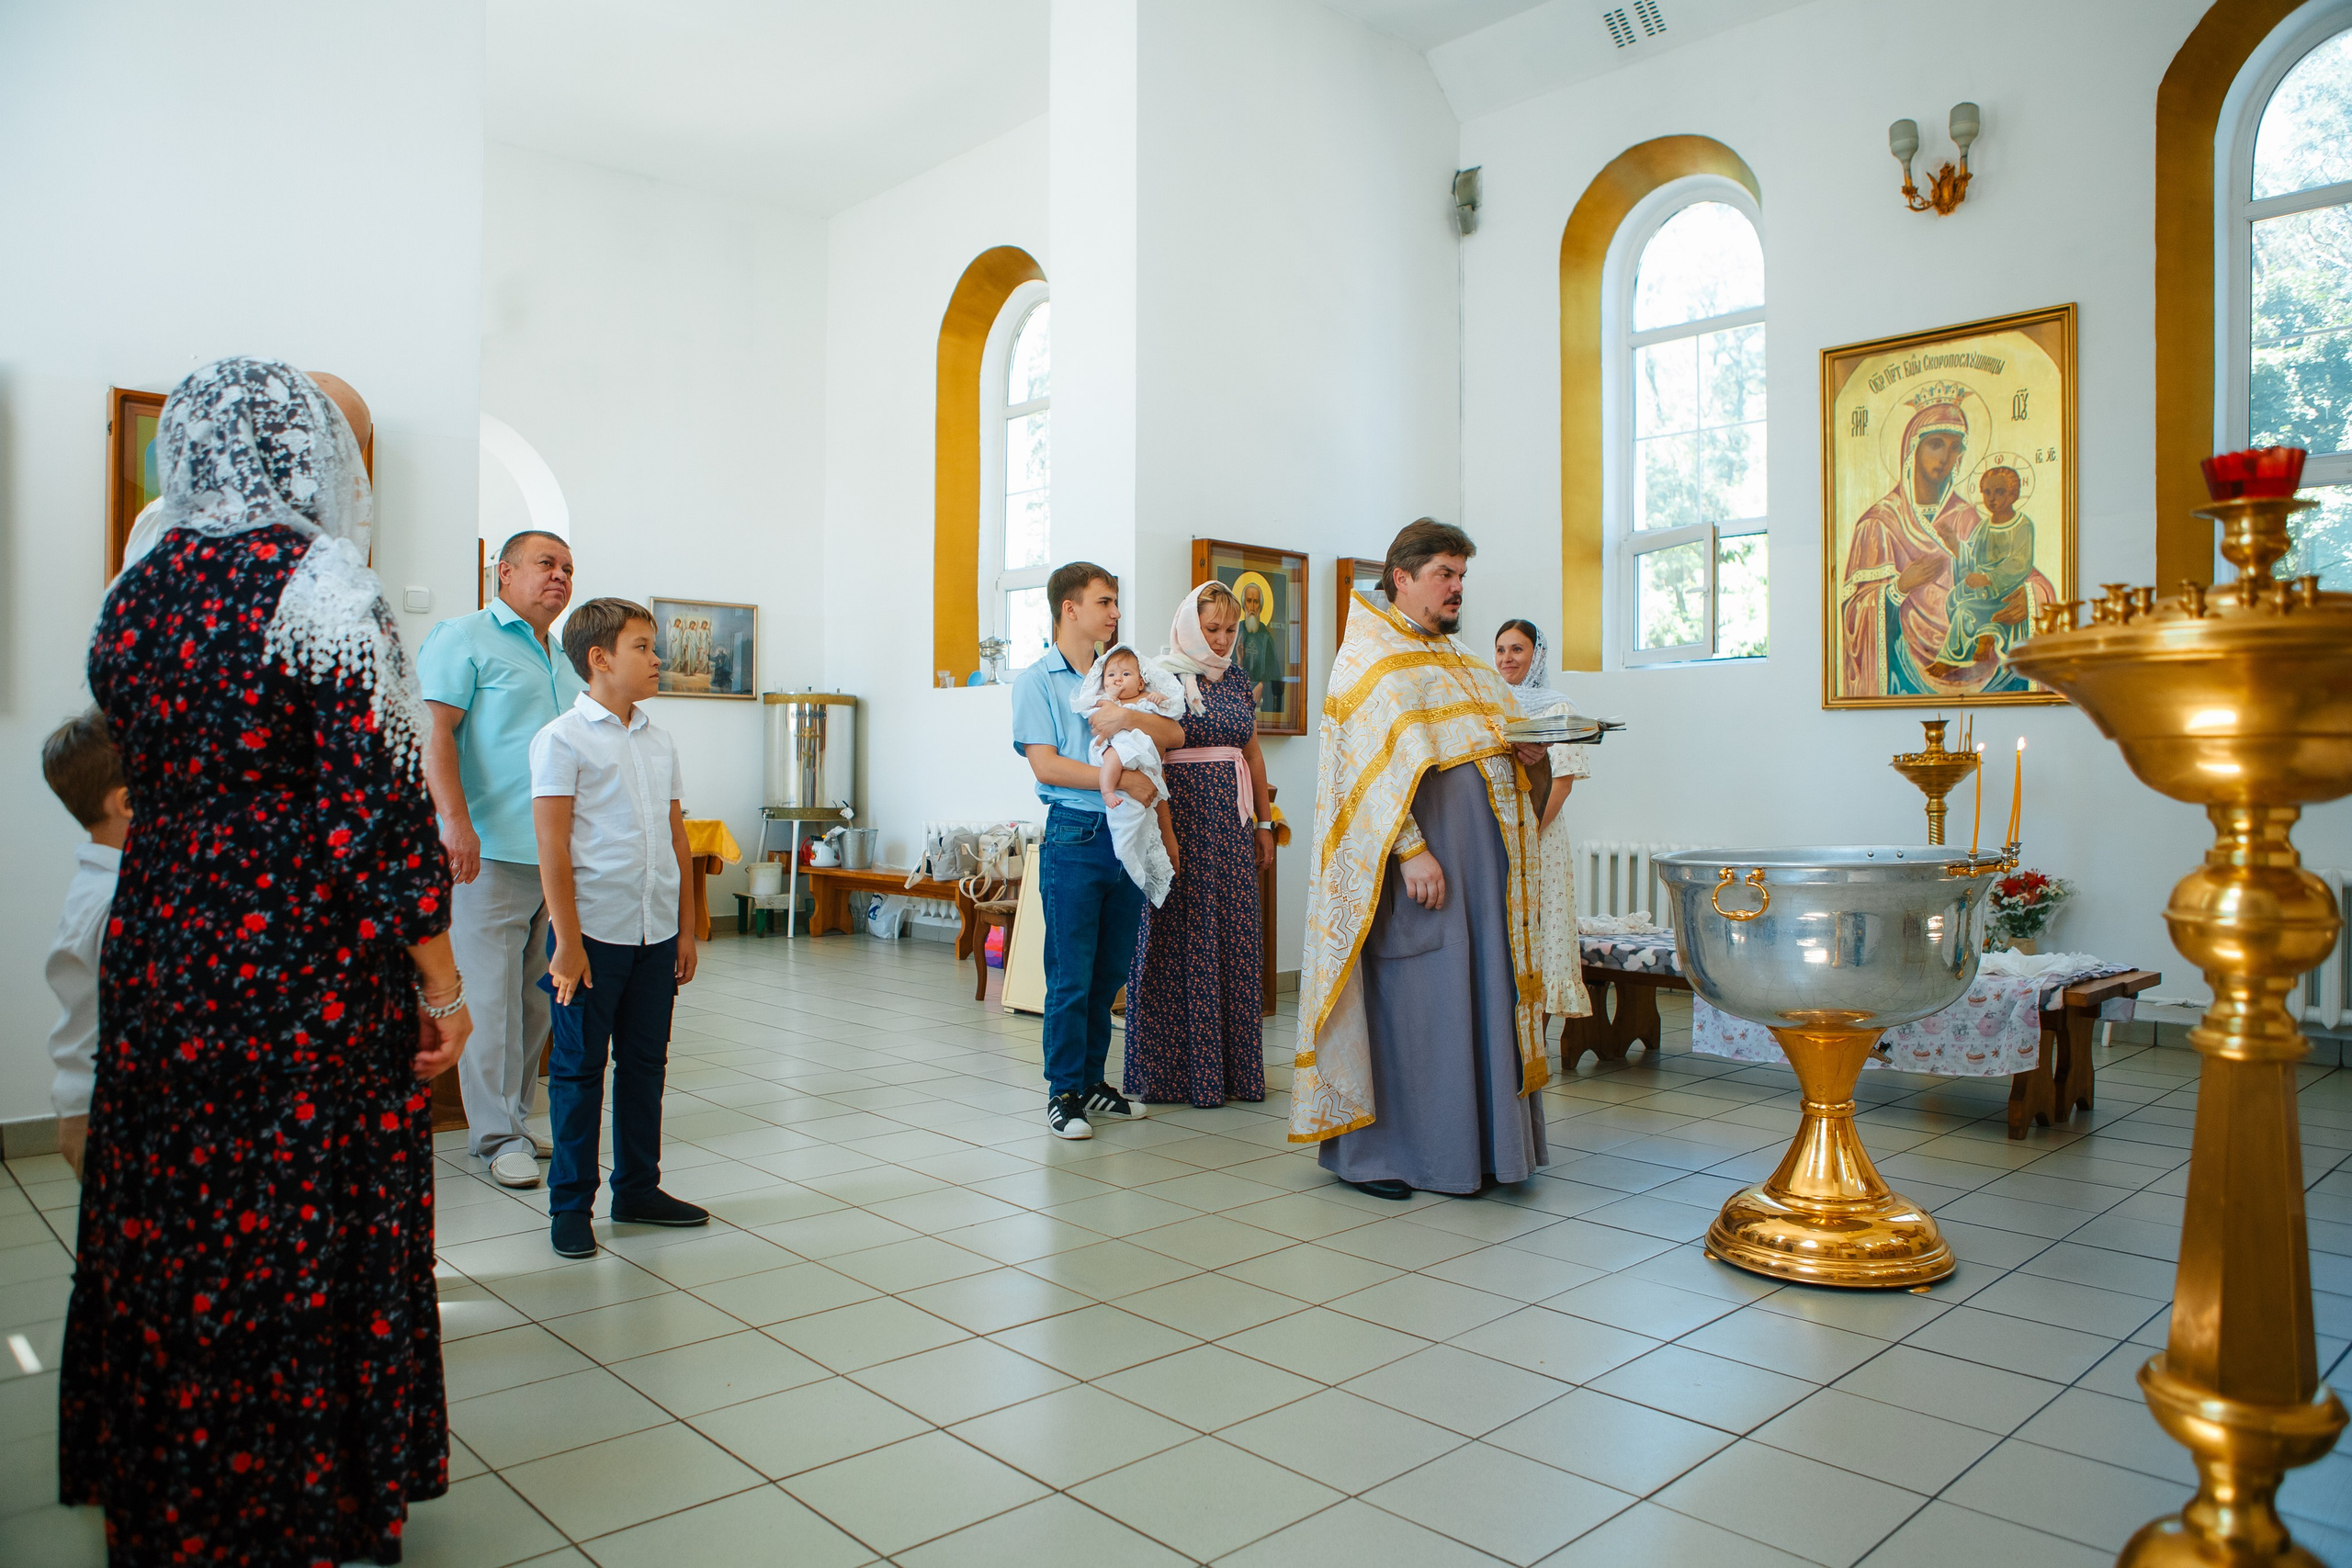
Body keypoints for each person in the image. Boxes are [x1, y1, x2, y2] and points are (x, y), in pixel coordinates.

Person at [63, 356, 467, 1565]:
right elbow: (374, 817)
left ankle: (177, 1486)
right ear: (300, 454)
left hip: (167, 935)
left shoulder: (137, 592)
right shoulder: (325, 585)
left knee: (177, 1211)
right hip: (301, 959)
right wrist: (439, 983)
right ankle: (317, 1496)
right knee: (307, 1215)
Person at [1294, 519, 1558, 1198]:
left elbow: (1504, 758)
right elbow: (1359, 774)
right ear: (1402, 578)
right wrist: (1411, 850)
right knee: (1419, 1006)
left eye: (1462, 576)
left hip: (1485, 878)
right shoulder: (1368, 661)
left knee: (1478, 997)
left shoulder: (1468, 663)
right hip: (1421, 875)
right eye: (1445, 574)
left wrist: (1531, 756)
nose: (1457, 588)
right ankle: (1381, 1155)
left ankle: (1489, 1149)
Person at [531, 596, 707, 1258]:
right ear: (600, 659)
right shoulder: (562, 739)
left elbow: (675, 836)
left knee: (644, 1065)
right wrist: (567, 942)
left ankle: (638, 1188)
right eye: (643, 646)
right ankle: (570, 1205)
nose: (657, 658)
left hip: (654, 934)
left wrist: (686, 928)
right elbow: (552, 848)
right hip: (590, 937)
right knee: (577, 1071)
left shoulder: (659, 739)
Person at [419, 529, 583, 1189]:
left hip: (556, 857)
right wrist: (454, 823)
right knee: (489, 999)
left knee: (538, 999)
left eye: (569, 568)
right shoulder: (463, 637)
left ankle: (514, 1116)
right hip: (486, 852)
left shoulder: (566, 656)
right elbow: (436, 733)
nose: (560, 577)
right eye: (547, 564)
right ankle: (493, 1137)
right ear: (503, 572)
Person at [1010, 561, 1177, 1138]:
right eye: (1105, 602)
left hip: (1129, 836)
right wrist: (1123, 780)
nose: (1116, 613)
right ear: (1070, 609)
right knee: (1071, 974)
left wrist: (1134, 723)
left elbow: (1171, 733)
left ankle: (1092, 1083)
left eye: (1116, 603)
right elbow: (1047, 764)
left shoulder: (1125, 675)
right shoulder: (1039, 680)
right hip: (1076, 836)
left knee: (1109, 973)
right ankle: (1063, 1094)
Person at [1122, 581, 1277, 1109]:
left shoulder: (1236, 678)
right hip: (1179, 819)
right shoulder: (1159, 676)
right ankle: (1171, 1075)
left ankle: (1231, 1073)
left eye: (1230, 630)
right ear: (1190, 624)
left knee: (1232, 937)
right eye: (1212, 629)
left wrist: (1263, 822)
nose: (1221, 639)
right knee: (1175, 934)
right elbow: (1141, 746)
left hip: (1230, 827)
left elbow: (1252, 755)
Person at [39, 708, 130, 1181]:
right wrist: (77, 1113)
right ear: (129, 801)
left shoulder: (105, 888)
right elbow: (89, 1024)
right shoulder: (110, 902)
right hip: (103, 1114)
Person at [1494, 620, 1594, 1033]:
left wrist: (1529, 834)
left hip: (1540, 838)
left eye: (1517, 650)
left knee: (1544, 934)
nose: (1506, 659)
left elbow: (1563, 783)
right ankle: (1506, 1041)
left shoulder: (1558, 707)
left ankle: (1537, 1040)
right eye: (1500, 650)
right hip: (1500, 837)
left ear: (1538, 655)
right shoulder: (1491, 704)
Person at [1077, 644, 1183, 901]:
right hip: (1115, 751)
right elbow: (1094, 711)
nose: (1118, 680)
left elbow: (1170, 719)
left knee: (1139, 812)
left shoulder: (1145, 701)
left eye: (1126, 674)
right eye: (1111, 675)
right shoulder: (1108, 701)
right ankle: (1107, 789)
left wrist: (1158, 699)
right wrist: (1110, 697)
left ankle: (1134, 859)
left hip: (1142, 761)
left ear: (1140, 682)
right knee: (1114, 756)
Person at [1930, 461, 2046, 683]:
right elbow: (1971, 556)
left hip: (2005, 586)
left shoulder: (2022, 525)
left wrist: (1989, 578)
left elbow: (2020, 563)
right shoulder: (1983, 526)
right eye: (1987, 492)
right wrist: (1955, 543)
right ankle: (1979, 638)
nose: (1992, 498)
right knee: (1955, 597)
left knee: (1967, 608)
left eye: (1999, 492)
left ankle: (1971, 646)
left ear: (2013, 494)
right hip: (1982, 584)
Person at [1236, 575, 1285, 718]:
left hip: (1262, 697)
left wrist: (1263, 685)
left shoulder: (1266, 637)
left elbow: (1275, 672)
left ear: (1261, 606)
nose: (1252, 607)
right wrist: (1239, 659)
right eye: (1249, 601)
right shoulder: (1235, 632)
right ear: (1243, 603)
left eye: (1256, 602)